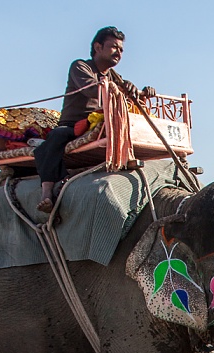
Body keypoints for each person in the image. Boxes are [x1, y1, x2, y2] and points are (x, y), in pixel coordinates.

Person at [34, 26, 155, 213]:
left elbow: (128, 96)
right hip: (74, 125)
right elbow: (93, 90)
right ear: (98, 47)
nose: (119, 53)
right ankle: (47, 191)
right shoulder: (80, 66)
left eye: (121, 49)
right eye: (114, 47)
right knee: (54, 139)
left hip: (101, 124)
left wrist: (140, 92)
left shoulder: (114, 76)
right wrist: (120, 89)